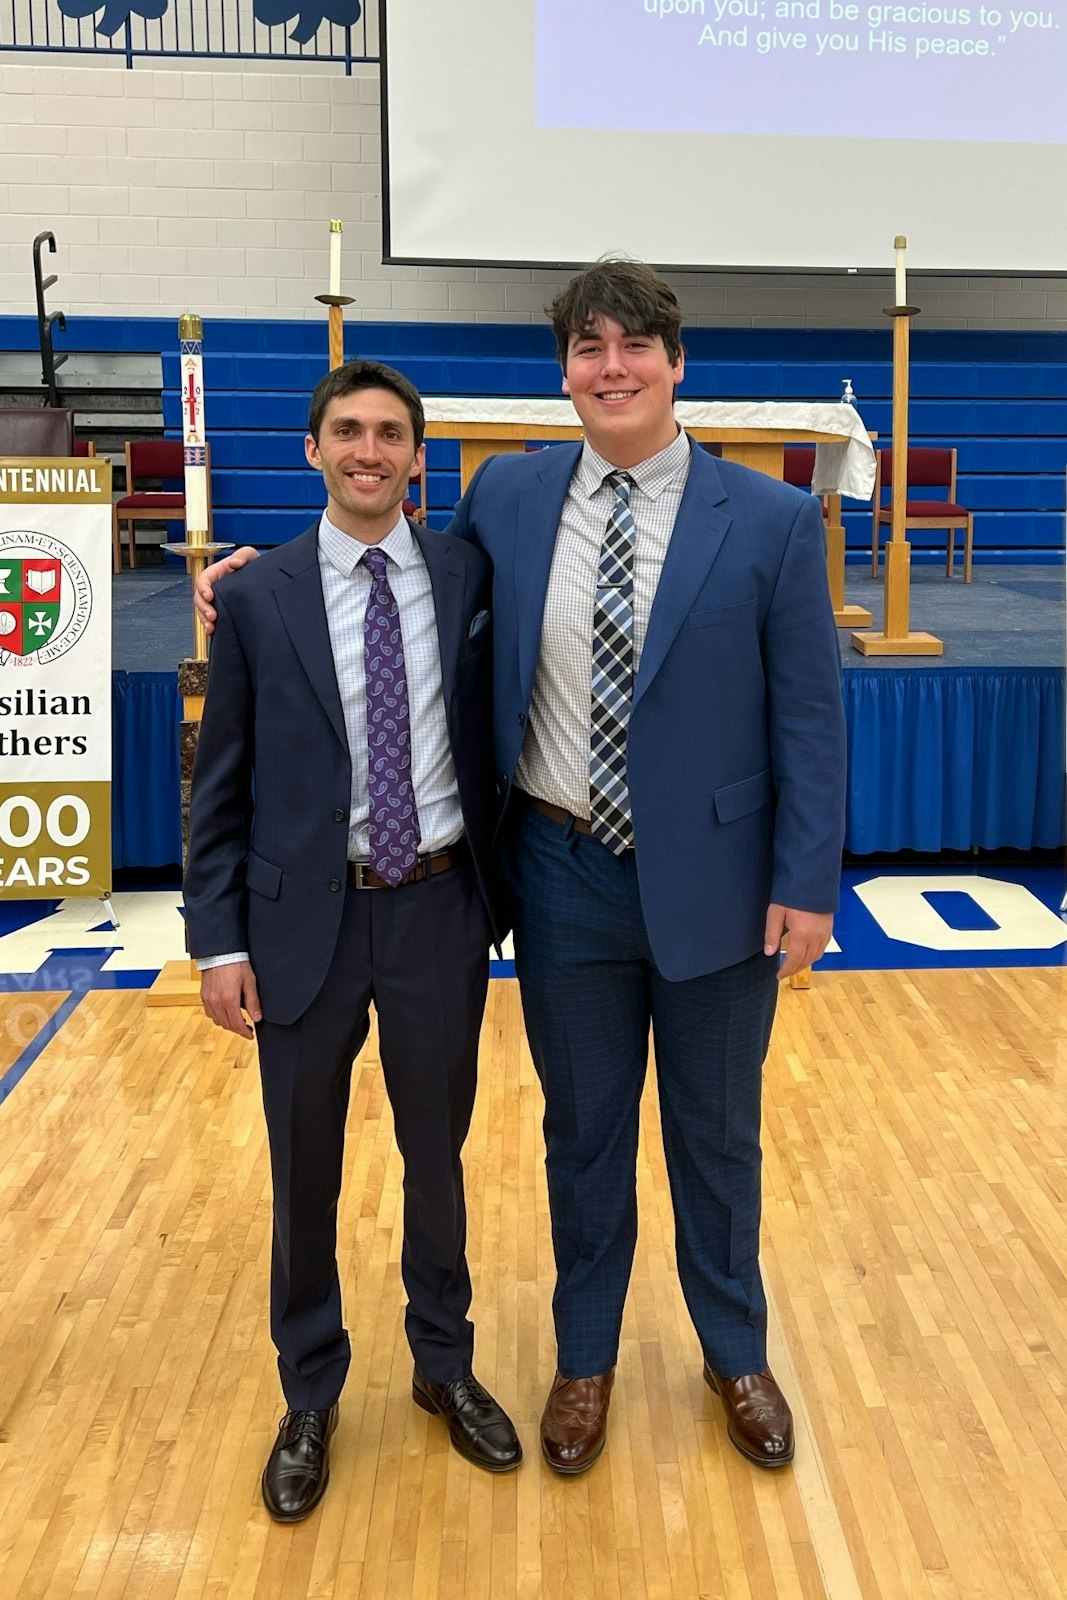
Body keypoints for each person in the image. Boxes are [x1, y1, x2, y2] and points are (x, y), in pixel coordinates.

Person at [195, 261, 846, 1477]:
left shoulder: (764, 518)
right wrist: (244, 575)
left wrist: (804, 880)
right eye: (588, 348)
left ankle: (733, 1349)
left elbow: (809, 715)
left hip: (712, 884)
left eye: (634, 346)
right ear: (563, 374)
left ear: (674, 363)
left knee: (716, 1134)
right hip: (558, 871)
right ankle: (583, 1358)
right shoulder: (508, 496)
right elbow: (379, 573)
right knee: (582, 1131)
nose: (611, 367)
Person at [184, 359, 522, 1524]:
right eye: (347, 431)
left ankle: (442, 1360)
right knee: (305, 1170)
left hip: (437, 907)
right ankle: (310, 1389)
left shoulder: (469, 571)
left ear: (418, 456)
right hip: (298, 924)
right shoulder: (261, 595)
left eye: (389, 433)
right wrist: (216, 940)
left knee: (437, 1158)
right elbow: (218, 785)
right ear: (313, 451)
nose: (369, 450)